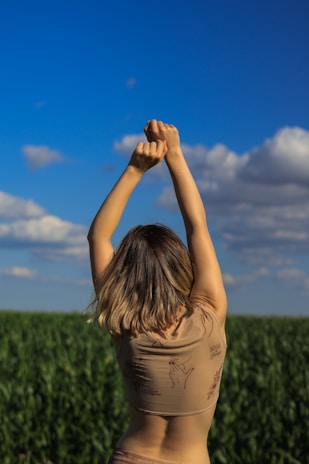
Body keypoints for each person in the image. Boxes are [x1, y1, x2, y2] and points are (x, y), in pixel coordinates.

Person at [87, 120, 227, 464]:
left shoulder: (123, 321)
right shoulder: (209, 312)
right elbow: (197, 225)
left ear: (125, 275)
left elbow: (98, 238)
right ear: (182, 266)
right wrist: (175, 155)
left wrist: (136, 169)